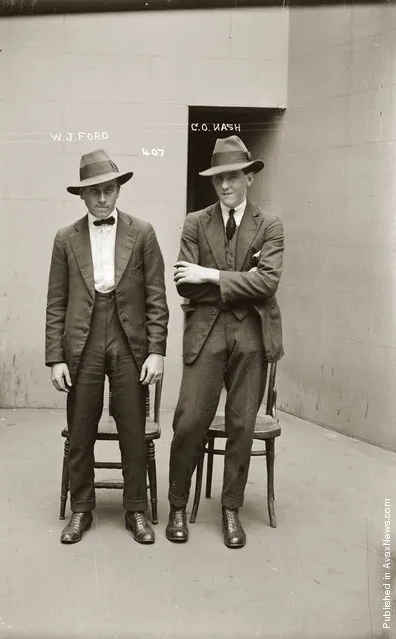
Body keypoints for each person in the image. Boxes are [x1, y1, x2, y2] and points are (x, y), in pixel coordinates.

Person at [45, 149, 169, 545]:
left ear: (118, 191)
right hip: (82, 339)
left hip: (128, 337)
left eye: (109, 190)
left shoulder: (143, 233)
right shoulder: (65, 238)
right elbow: (56, 302)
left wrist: (156, 350)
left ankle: (136, 510)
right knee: (81, 428)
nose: (102, 198)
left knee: (132, 425)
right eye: (94, 191)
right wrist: (55, 358)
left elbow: (156, 297)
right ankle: (82, 509)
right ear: (82, 196)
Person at [166, 135, 284, 548]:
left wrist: (211, 274)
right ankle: (178, 504)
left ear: (248, 178)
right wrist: (240, 283)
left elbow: (268, 281)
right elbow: (186, 286)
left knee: (241, 425)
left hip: (251, 337)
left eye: (233, 177)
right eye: (219, 179)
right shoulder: (195, 222)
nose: (226, 186)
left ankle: (231, 509)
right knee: (189, 421)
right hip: (206, 333)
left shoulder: (269, 225)